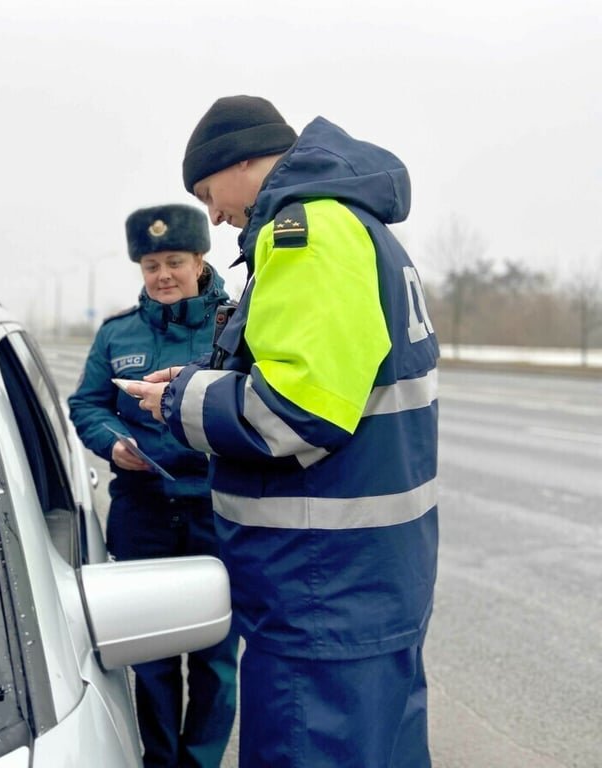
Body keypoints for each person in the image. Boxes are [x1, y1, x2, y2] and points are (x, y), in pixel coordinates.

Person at [128, 96, 440, 767]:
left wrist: (178, 398)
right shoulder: (354, 224)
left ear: (243, 159)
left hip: (319, 592)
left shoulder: (306, 230)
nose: (213, 214)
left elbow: (297, 412)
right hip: (365, 588)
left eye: (209, 192)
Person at [67, 203, 239, 768]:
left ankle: (201, 764)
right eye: (150, 265)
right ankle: (160, 763)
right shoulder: (120, 333)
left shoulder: (237, 325)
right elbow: (88, 404)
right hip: (142, 513)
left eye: (174, 262)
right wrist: (114, 442)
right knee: (153, 660)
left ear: (200, 260)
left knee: (215, 659)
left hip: (218, 513)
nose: (163, 276)